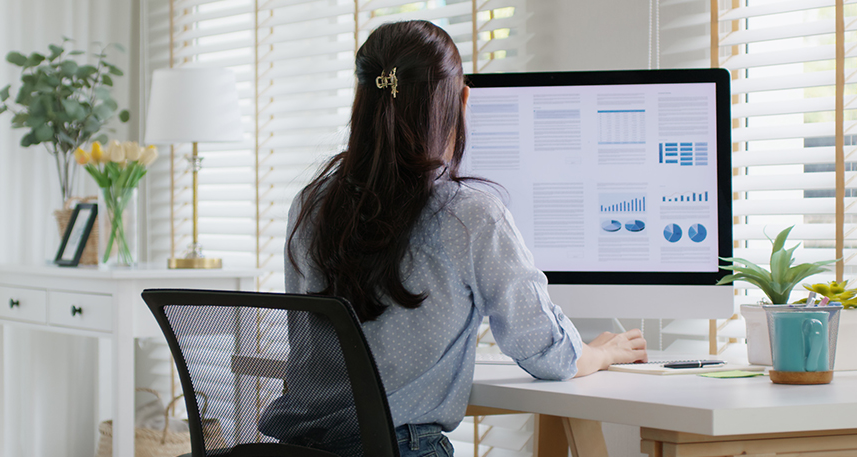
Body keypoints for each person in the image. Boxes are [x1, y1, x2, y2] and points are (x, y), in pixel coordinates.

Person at [263, 20, 648, 457]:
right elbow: (546, 352)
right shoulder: (467, 214)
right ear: (462, 99)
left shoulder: (311, 205)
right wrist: (599, 354)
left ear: (362, 101)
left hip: (300, 449)